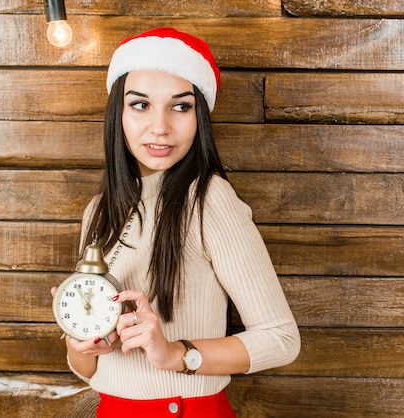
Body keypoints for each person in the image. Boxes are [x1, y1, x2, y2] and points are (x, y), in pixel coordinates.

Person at [53, 27, 300, 417]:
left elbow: (282, 339)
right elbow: (90, 372)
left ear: (199, 115)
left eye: (180, 106)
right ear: (118, 113)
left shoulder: (208, 199)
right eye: (140, 105)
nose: (160, 126)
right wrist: (80, 343)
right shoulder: (98, 211)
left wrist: (175, 354)